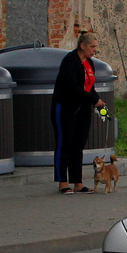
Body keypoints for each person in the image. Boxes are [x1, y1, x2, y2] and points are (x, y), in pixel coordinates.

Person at [51, 32, 106, 193]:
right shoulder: (70, 61)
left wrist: (98, 102)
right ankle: (62, 182)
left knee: (78, 145)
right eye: (92, 46)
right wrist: (92, 99)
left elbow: (90, 87)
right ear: (82, 46)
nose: (94, 50)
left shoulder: (89, 63)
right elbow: (72, 87)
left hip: (83, 109)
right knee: (65, 144)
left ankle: (78, 182)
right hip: (66, 108)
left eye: (95, 47)